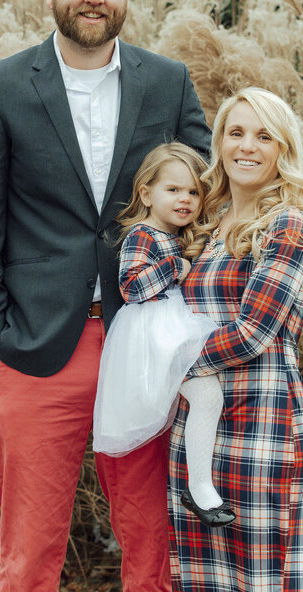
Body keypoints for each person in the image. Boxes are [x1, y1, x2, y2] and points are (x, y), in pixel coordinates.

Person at [0, 0, 212, 592]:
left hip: (145, 340)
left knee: (153, 545)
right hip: (36, 348)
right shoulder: (1, 88)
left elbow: (210, 201)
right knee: (30, 554)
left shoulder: (169, 83)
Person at [170, 87, 303, 592]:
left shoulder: (290, 225)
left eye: (264, 136)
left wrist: (169, 363)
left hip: (261, 422)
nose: (246, 146)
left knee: (260, 575)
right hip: (198, 427)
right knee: (200, 575)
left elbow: (253, 333)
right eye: (235, 133)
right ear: (219, 143)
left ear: (284, 148)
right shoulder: (208, 225)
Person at [91, 143, 235, 528]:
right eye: (173, 189)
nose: (185, 199)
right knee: (207, 396)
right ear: (146, 194)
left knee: (207, 397)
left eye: (193, 192)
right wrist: (175, 266)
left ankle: (200, 486)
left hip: (171, 328)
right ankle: (199, 488)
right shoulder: (144, 234)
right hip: (154, 335)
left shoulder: (182, 234)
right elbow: (131, 287)